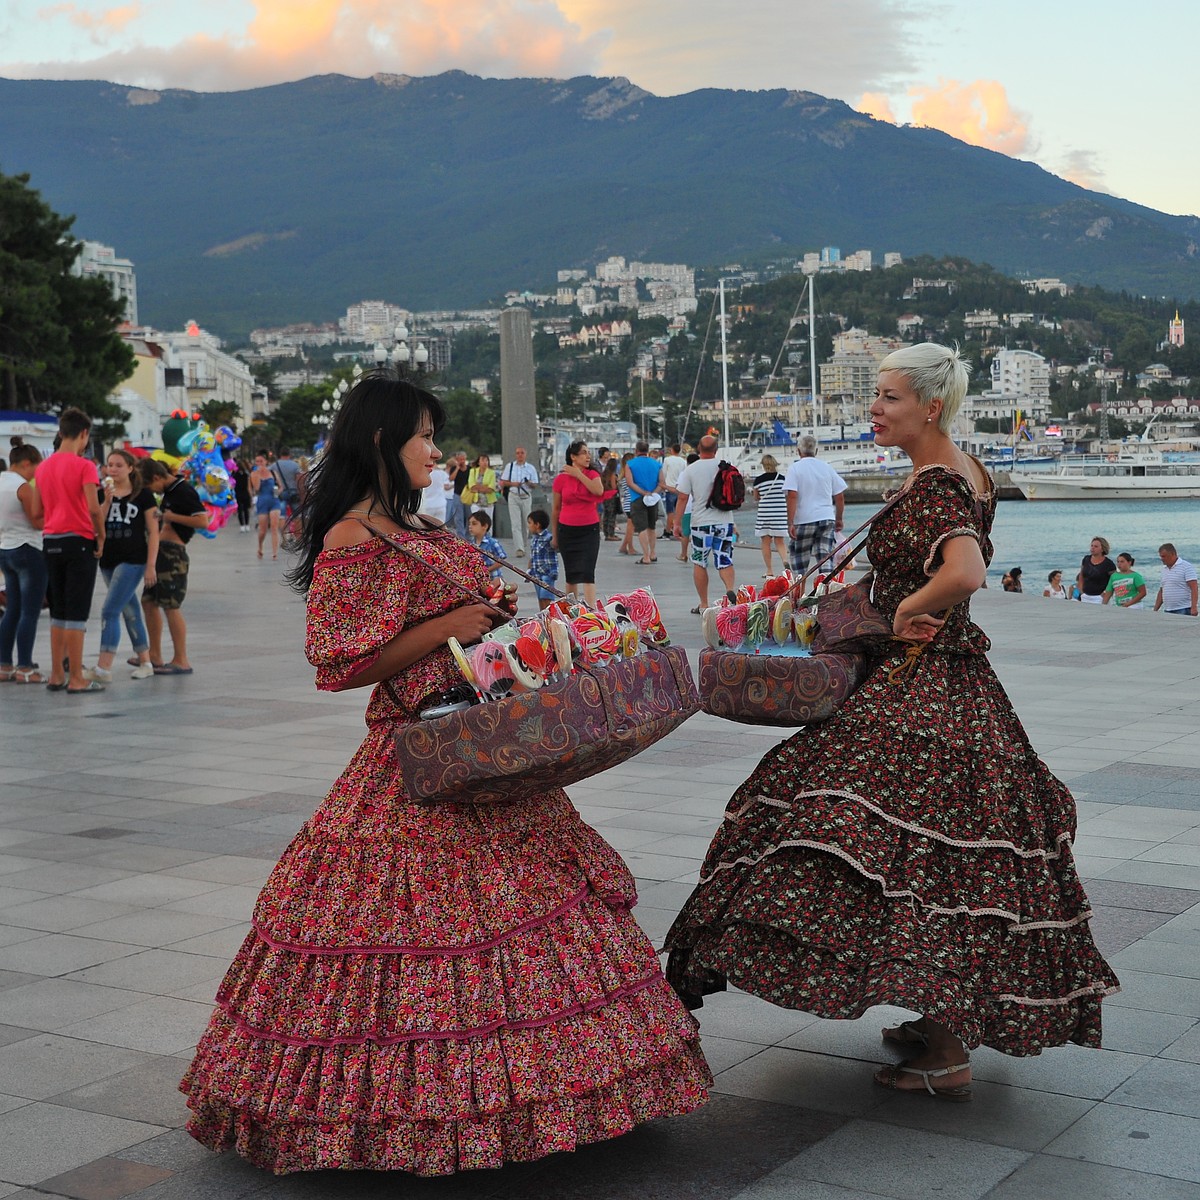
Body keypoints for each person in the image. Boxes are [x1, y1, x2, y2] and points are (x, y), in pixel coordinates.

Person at [179, 373, 710, 1174]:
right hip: (421, 758)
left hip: (482, 742)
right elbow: (338, 664)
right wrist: (446, 626)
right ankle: (419, 1120)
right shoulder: (354, 538)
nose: (438, 449)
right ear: (384, 442)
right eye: (425, 435)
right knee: (414, 936)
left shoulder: (413, 522)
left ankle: (555, 1092)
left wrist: (484, 619)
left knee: (524, 919)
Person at [665, 342, 1118, 1102]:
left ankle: (944, 1048)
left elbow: (966, 571)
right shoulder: (959, 470)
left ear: (930, 407)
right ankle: (935, 1019)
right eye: (875, 396)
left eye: (889, 398)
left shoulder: (938, 482)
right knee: (933, 858)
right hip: (950, 690)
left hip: (923, 688)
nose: (874, 408)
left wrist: (907, 608)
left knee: (868, 838)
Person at [30, 408, 105, 694]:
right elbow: (93, 508)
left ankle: (56, 675)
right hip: (79, 542)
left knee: (58, 612)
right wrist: (101, 535)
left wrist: (55, 519)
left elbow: (36, 512)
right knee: (77, 614)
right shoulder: (84, 466)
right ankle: (77, 677)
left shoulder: (43, 468)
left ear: (61, 433)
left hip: (51, 542)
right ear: (84, 434)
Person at [85, 449, 159, 683]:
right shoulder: (101, 493)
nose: (113, 469)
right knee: (130, 610)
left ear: (130, 468)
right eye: (109, 465)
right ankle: (146, 661)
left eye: (118, 465)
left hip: (133, 560)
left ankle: (104, 667)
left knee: (109, 610)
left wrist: (151, 565)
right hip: (107, 559)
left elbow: (154, 532)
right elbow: (97, 524)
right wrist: (106, 500)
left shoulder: (144, 495)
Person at [140, 457, 208, 675]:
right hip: (161, 552)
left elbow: (202, 521)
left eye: (150, 486)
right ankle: (155, 654)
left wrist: (171, 517)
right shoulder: (169, 492)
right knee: (149, 602)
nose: (151, 491)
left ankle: (181, 658)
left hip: (174, 555)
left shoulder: (184, 491)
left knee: (171, 605)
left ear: (158, 477)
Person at [0, 443, 47, 684]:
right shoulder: (22, 487)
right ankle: (25, 667)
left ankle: (4, 664)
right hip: (28, 549)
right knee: (29, 612)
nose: (35, 474)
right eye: (35, 468)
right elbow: (38, 522)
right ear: (26, 463)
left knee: (12, 610)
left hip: (5, 548)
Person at [675, 436, 735, 614]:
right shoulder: (726, 466)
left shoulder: (691, 470)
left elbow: (682, 497)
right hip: (724, 521)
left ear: (699, 449)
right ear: (716, 449)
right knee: (725, 559)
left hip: (701, 523)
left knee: (700, 562)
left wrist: (677, 523)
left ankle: (704, 604)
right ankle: (730, 589)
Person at [551, 440, 612, 609]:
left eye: (588, 453)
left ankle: (591, 610)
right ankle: (572, 609)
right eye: (583, 452)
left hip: (589, 529)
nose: (588, 456)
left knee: (587, 572)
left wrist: (578, 474)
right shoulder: (560, 479)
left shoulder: (592, 475)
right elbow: (555, 509)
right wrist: (555, 535)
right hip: (567, 530)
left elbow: (598, 491)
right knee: (571, 574)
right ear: (573, 456)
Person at [784, 435, 847, 576]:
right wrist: (838, 519)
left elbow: (792, 496)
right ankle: (825, 593)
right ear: (816, 450)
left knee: (800, 564)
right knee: (825, 560)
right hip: (826, 518)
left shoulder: (794, 469)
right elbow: (839, 496)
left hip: (804, 520)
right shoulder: (827, 468)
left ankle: (798, 595)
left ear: (798, 450)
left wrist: (790, 523)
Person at [624, 440, 665, 565]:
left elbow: (630, 482)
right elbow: (662, 483)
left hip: (637, 498)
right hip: (653, 499)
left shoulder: (630, 464)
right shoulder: (656, 464)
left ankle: (645, 556)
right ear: (647, 451)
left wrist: (643, 493)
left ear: (636, 451)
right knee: (651, 527)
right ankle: (653, 553)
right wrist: (653, 493)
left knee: (641, 528)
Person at [752, 454, 789, 577]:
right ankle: (785, 560)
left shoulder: (758, 480)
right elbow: (787, 495)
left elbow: (756, 497)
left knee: (766, 542)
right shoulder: (783, 479)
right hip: (780, 513)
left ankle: (769, 570)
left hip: (764, 513)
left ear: (763, 465)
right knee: (780, 541)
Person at [499, 446, 539, 557]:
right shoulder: (510, 466)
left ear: (525, 454)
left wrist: (529, 483)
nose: (520, 455)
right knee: (515, 523)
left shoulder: (530, 468)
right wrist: (513, 484)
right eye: (518, 453)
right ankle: (519, 548)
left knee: (527, 523)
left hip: (526, 496)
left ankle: (524, 543)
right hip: (513, 496)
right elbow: (503, 482)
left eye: (522, 453)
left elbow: (535, 484)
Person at [250, 453, 284, 560]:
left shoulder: (273, 472)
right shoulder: (254, 474)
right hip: (262, 501)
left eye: (261, 461)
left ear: (266, 461)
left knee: (274, 527)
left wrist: (278, 491)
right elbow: (256, 488)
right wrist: (258, 475)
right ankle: (260, 546)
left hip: (274, 500)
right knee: (263, 529)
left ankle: (275, 552)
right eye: (257, 461)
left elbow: (281, 486)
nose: (259, 463)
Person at [1154, 543, 1198, 616]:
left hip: (1183, 608)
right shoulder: (1164, 570)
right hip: (1168, 609)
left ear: (1172, 554)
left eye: (1164, 556)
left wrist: (1194, 607)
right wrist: (1155, 610)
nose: (1162, 559)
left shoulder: (1186, 567)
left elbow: (1194, 587)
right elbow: (1162, 590)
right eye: (1161, 556)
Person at [526, 508, 558, 611]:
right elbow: (533, 555)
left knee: (546, 598)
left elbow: (556, 547)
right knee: (540, 597)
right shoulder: (534, 539)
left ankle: (550, 617)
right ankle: (543, 617)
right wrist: (529, 568)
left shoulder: (549, 538)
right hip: (536, 573)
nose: (528, 525)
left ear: (537, 524)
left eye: (530, 523)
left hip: (547, 573)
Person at [467, 510, 507, 579]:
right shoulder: (471, 544)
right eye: (469, 524)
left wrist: (487, 570)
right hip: (479, 580)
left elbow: (502, 561)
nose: (470, 527)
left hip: (493, 579)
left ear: (485, 526)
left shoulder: (493, 543)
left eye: (474, 524)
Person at [1077, 537, 1115, 605]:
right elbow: (1081, 575)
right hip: (1085, 596)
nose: (1092, 548)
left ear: (1102, 548)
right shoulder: (1086, 559)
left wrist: (1104, 594)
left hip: (1099, 597)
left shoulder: (1109, 564)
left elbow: (1113, 581)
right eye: (1092, 546)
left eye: (1096, 546)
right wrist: (1081, 591)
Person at [661, 443, 687, 541]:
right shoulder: (683, 461)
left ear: (672, 450)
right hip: (680, 488)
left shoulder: (667, 460)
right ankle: (679, 530)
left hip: (669, 487)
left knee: (670, 512)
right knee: (679, 512)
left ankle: (668, 531)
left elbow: (663, 473)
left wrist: (663, 485)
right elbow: (684, 474)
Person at [462, 453, 499, 525]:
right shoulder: (473, 471)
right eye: (483, 460)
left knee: (488, 524)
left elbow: (491, 489)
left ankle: (488, 536)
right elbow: (472, 487)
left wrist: (478, 486)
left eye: (486, 460)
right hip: (476, 502)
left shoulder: (491, 472)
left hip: (488, 503)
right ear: (478, 462)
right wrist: (484, 486)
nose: (485, 462)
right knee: (475, 522)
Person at [444, 450, 469, 538]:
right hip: (457, 495)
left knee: (469, 516)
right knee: (459, 518)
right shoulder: (454, 469)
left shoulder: (469, 469)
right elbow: (451, 479)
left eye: (463, 459)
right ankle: (461, 537)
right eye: (459, 459)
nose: (461, 461)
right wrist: (457, 468)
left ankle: (469, 537)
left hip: (468, 495)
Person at [616, 451, 636, 556]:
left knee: (630, 527)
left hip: (628, 503)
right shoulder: (629, 477)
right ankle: (630, 547)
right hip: (631, 503)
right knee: (630, 528)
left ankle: (624, 546)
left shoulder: (623, 476)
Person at [272, 447, 301, 516]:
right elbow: (298, 480)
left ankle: (282, 526)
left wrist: (275, 494)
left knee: (281, 515)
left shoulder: (274, 465)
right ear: (289, 454)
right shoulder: (295, 465)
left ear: (280, 454)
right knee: (297, 514)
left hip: (280, 492)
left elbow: (273, 481)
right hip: (293, 491)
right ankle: (297, 526)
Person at [600, 456, 622, 541]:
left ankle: (606, 533)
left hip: (605, 496)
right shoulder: (612, 475)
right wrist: (617, 482)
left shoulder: (604, 474)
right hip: (612, 497)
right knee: (612, 515)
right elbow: (613, 486)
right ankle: (611, 534)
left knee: (606, 515)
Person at [231, 456, 252, 532]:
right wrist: (251, 495)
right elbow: (249, 486)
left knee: (240, 510)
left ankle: (242, 526)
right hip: (245, 493)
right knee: (246, 510)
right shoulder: (246, 475)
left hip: (237, 494)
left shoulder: (234, 475)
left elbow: (232, 485)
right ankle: (247, 525)